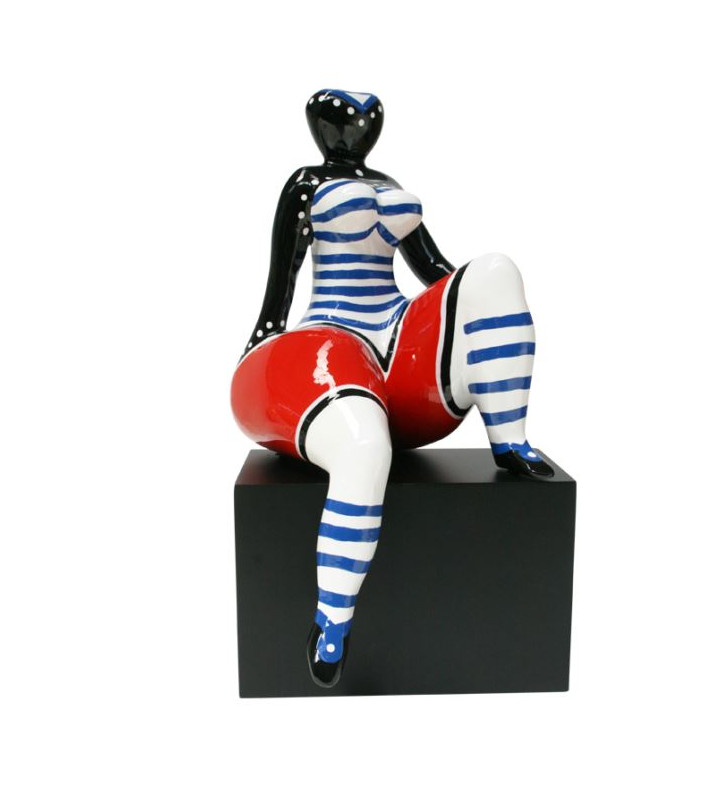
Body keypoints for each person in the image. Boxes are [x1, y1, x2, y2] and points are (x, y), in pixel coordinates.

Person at [231, 89, 554, 688]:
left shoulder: (389, 183)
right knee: (363, 447)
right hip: (333, 336)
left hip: (398, 341)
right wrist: (264, 342)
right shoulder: (306, 183)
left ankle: (509, 439)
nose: (355, 127)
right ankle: (332, 619)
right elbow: (283, 274)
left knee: (495, 271)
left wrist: (468, 308)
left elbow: (434, 270)